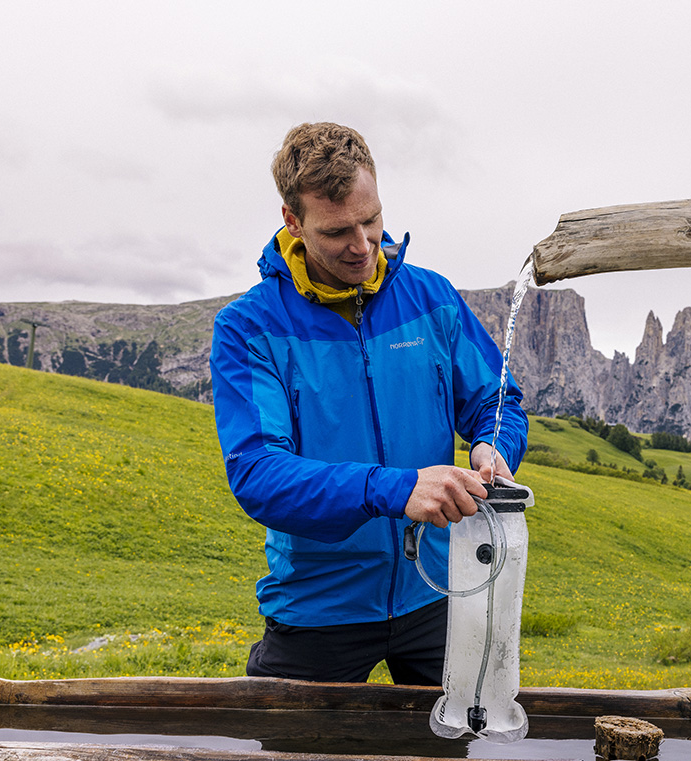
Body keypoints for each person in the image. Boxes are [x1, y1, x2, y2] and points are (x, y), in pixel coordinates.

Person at [210, 122, 528, 685]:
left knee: (461, 745)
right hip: (317, 608)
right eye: (337, 231)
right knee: (280, 746)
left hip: (440, 591)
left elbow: (497, 400)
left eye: (372, 219)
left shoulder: (431, 297)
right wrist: (397, 489)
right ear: (293, 221)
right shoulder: (248, 328)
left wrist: (492, 444)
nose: (363, 245)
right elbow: (258, 474)